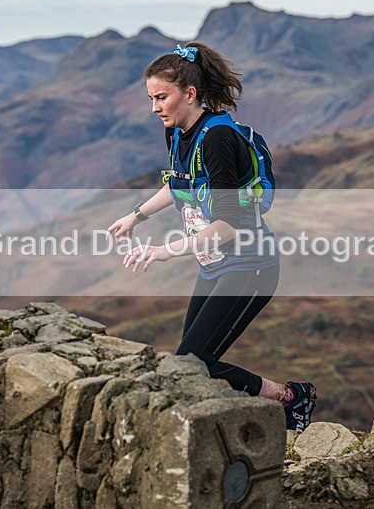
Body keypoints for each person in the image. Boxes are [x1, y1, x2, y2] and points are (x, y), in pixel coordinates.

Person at [107, 42, 316, 432]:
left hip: (251, 266)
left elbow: (226, 225)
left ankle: (291, 398)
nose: (155, 107)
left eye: (161, 97)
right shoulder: (178, 133)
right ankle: (279, 403)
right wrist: (135, 216)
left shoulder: (218, 139)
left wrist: (165, 251)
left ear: (189, 94)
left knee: (193, 362)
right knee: (189, 364)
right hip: (215, 266)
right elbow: (177, 186)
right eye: (151, 98)